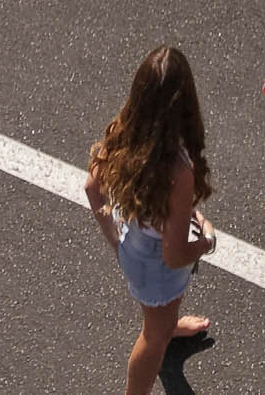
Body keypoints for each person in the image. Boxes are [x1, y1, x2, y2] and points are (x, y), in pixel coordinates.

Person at [85, 47, 219, 393]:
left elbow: (91, 187)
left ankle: (167, 325)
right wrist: (206, 241)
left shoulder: (125, 131)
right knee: (152, 338)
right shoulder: (178, 171)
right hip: (158, 268)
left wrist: (116, 240)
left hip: (135, 249)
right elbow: (175, 256)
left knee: (158, 320)